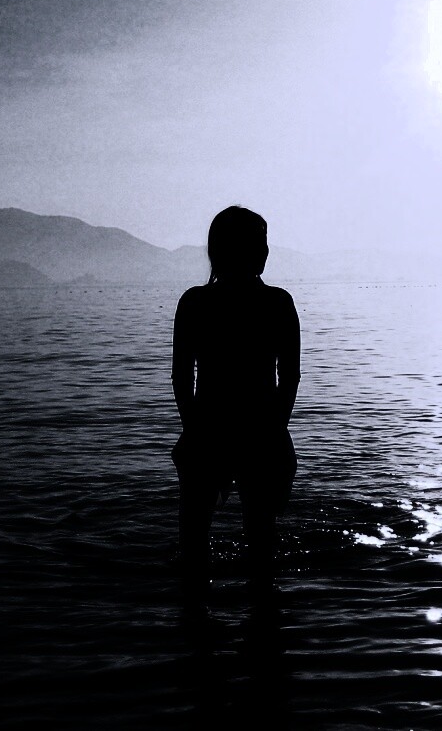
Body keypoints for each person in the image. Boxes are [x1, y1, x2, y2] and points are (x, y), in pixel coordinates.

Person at [172, 206, 300, 598]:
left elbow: (182, 380)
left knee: (194, 545)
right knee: (261, 545)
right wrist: (276, 433)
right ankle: (263, 622)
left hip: (209, 429)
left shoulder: (194, 303)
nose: (266, 252)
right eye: (260, 244)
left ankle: (194, 623)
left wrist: (194, 431)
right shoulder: (277, 304)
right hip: (259, 432)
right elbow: (289, 380)